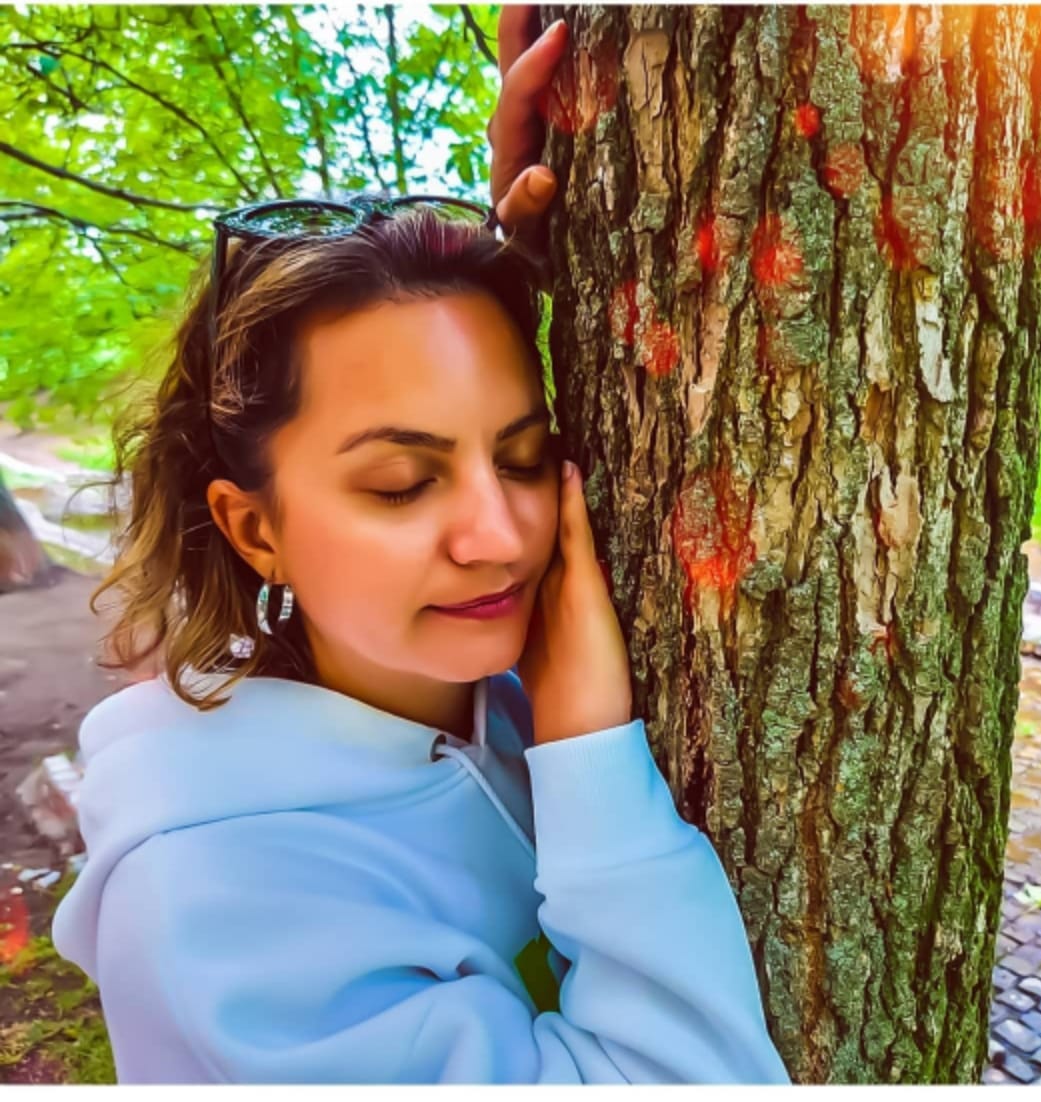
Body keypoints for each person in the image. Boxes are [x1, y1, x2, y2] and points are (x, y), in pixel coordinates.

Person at [50, 7, 790, 1086]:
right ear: (255, 528)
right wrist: (587, 755)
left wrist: (587, 206)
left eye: (528, 456)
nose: (500, 538)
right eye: (401, 483)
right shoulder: (219, 908)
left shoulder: (487, 690)